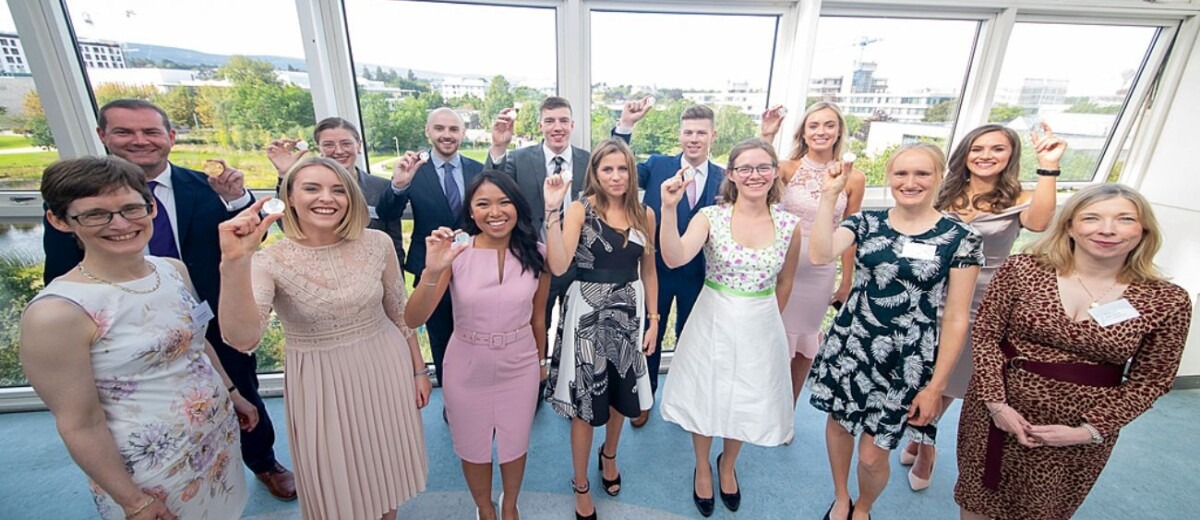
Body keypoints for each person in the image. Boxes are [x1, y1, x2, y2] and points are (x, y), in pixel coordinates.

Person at [40, 99, 296, 501]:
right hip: (119, 337)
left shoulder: (206, 188)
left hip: (209, 312)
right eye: (125, 131)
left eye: (150, 131)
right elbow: (60, 269)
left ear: (170, 137)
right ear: (103, 136)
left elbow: (247, 239)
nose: (139, 140)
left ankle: (263, 461)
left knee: (243, 391)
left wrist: (235, 200)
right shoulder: (74, 202)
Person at [22, 156, 257, 519]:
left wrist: (232, 391)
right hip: (149, 468)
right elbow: (79, 423)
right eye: (96, 214)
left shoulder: (172, 270)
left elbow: (195, 343)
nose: (120, 224)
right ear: (60, 220)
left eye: (132, 209)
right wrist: (134, 501)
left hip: (214, 440)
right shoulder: (57, 313)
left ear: (152, 208)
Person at [954, 183, 1192, 520]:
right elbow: (987, 335)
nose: (1107, 229)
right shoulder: (1022, 269)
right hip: (995, 412)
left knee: (1043, 510)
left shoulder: (1166, 300)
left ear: (1144, 230)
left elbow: (1152, 381)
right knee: (977, 500)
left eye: (1124, 219)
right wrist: (996, 404)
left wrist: (1088, 430)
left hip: (1078, 429)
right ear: (1069, 226)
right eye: (1092, 218)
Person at [217, 157, 430, 520]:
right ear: (289, 197)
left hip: (385, 365)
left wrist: (418, 370)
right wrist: (234, 264)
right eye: (312, 188)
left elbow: (398, 312)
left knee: (386, 468)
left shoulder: (377, 243)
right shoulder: (269, 261)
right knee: (338, 481)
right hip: (320, 380)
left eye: (338, 190)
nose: (326, 198)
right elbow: (242, 339)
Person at [807, 143, 983, 520]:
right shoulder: (866, 222)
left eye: (922, 173)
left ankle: (864, 506)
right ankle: (842, 497)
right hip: (852, 344)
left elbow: (956, 318)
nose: (910, 182)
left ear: (939, 178)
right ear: (889, 177)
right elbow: (820, 254)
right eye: (901, 173)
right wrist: (829, 197)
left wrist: (935, 387)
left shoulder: (960, 237)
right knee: (839, 426)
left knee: (873, 455)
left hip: (907, 358)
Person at [898, 122, 1065, 490]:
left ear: (1011, 155)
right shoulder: (943, 192)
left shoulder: (1019, 197)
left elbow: (1040, 222)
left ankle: (925, 450)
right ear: (965, 153)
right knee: (921, 376)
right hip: (931, 295)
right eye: (978, 148)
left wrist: (1049, 165)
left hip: (982, 303)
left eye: (997, 149)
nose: (986, 156)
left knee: (947, 381)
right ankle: (920, 440)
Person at [658, 139, 802, 517]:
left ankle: (728, 464)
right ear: (732, 175)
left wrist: (767, 319)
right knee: (706, 394)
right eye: (745, 168)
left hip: (761, 323)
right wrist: (669, 209)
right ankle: (703, 466)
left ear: (775, 172)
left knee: (746, 397)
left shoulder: (790, 225)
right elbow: (674, 257)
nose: (755, 175)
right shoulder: (711, 217)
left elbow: (786, 281)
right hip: (713, 318)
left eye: (763, 167)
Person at [403, 171, 551, 520]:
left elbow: (538, 318)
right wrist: (432, 271)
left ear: (518, 207)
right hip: (466, 364)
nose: (494, 212)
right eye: (483, 204)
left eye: (504, 202)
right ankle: (484, 508)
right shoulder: (457, 251)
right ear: (470, 211)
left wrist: (540, 363)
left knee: (515, 443)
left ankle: (510, 504)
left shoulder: (537, 253)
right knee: (473, 446)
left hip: (520, 363)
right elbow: (413, 317)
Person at [542, 138, 658, 520]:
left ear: (632, 172)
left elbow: (649, 270)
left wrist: (654, 320)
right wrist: (552, 212)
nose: (616, 176)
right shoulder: (580, 210)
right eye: (607, 169)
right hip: (587, 313)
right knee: (585, 404)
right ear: (595, 172)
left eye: (622, 168)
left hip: (629, 314)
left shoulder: (644, 214)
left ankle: (609, 455)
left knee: (621, 395)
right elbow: (560, 266)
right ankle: (580, 484)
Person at [612, 101, 726, 428]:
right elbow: (619, 165)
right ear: (679, 135)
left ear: (712, 136)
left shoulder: (723, 177)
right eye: (688, 132)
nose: (694, 139)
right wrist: (626, 125)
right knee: (650, 334)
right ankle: (645, 396)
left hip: (700, 274)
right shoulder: (657, 165)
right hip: (656, 270)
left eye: (700, 133)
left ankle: (686, 399)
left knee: (693, 339)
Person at [487, 97, 633, 340]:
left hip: (581, 267)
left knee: (579, 331)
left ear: (572, 125)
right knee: (534, 330)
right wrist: (499, 147)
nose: (557, 127)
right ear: (540, 125)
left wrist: (626, 126)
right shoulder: (518, 160)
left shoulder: (589, 162)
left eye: (564, 121)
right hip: (533, 263)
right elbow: (491, 189)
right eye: (550, 121)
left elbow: (617, 171)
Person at [761, 101, 866, 411]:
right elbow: (756, 174)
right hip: (781, 266)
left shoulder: (854, 178)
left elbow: (850, 233)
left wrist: (846, 281)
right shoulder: (787, 168)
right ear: (803, 133)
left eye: (829, 125)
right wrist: (767, 135)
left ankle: (787, 411)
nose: (821, 131)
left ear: (839, 132)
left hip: (820, 271)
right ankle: (763, 408)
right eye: (814, 125)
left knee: (804, 344)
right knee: (773, 339)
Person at [376, 108, 485, 389]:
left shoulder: (478, 169)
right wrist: (399, 185)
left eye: (453, 129)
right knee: (441, 339)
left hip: (473, 266)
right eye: (439, 128)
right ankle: (452, 398)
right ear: (428, 131)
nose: (446, 135)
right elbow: (387, 213)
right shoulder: (414, 170)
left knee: (477, 335)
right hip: (431, 267)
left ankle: (478, 392)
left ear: (462, 133)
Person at [266, 116, 406, 271]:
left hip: (371, 273)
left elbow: (394, 240)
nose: (338, 151)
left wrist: (396, 275)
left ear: (359, 146)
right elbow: (288, 225)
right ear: (319, 149)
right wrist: (285, 175)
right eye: (328, 145)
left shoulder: (381, 188)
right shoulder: (308, 190)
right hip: (321, 272)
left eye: (346, 143)